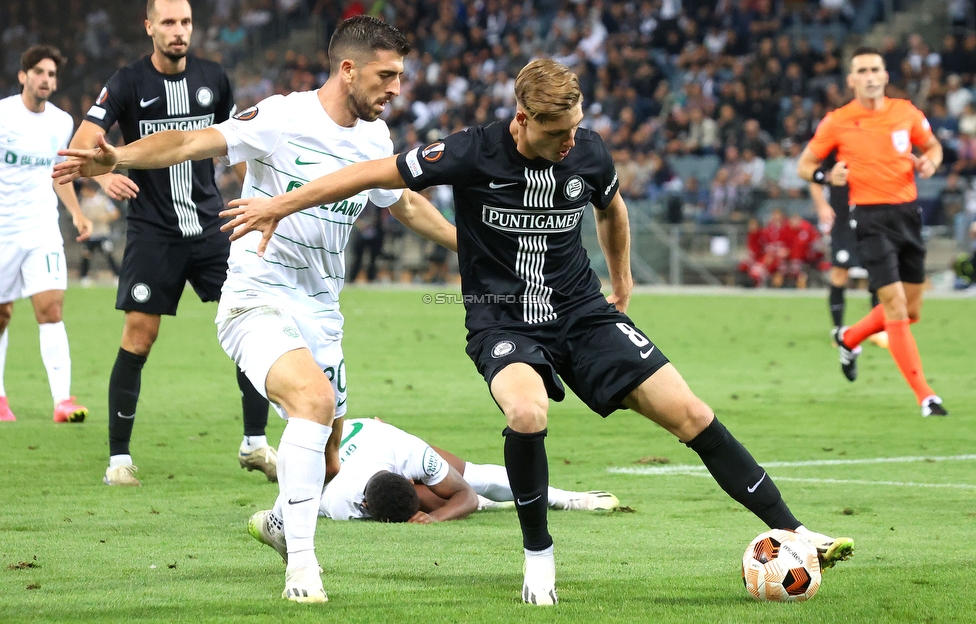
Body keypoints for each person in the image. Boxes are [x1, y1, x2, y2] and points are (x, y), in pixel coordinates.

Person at [212, 59, 854, 606]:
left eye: (576, 129)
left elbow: (613, 209)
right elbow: (368, 175)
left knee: (690, 412)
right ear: (523, 120)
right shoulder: (469, 150)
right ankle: (538, 556)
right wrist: (277, 202)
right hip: (501, 316)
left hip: (581, 312)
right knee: (526, 412)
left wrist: (622, 285)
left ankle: (798, 535)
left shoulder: (589, 152)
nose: (571, 143)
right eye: (558, 132)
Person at [55, 15, 457, 604]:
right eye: (387, 75)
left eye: (400, 75)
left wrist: (466, 249)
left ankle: (277, 522)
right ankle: (302, 568)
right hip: (255, 296)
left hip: (322, 310)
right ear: (348, 70)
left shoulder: (374, 139)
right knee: (313, 402)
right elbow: (192, 141)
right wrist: (118, 159)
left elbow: (404, 204)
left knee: (329, 455)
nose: (397, 88)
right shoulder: (282, 116)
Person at [64, 0, 275, 486]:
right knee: (140, 335)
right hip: (152, 232)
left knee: (254, 323)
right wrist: (100, 174)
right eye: (169, 23)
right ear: (149, 27)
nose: (179, 31)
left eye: (186, 22)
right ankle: (119, 460)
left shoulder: (214, 79)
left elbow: (238, 144)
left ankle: (256, 444)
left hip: (211, 227)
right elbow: (81, 143)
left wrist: (261, 196)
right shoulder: (127, 82)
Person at [798, 46, 947, 417]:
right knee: (894, 305)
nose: (869, 76)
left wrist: (930, 162)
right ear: (851, 80)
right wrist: (824, 176)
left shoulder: (906, 112)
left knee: (911, 311)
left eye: (874, 69)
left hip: (908, 217)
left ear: (885, 75)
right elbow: (805, 164)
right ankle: (926, 396)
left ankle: (848, 338)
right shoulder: (838, 120)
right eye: (861, 70)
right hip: (868, 219)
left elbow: (932, 146)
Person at [248, 417, 619, 555]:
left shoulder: (406, 451)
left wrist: (439, 518)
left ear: (410, 476)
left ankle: (567, 499)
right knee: (434, 499)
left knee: (472, 475)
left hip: (377, 435)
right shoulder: (335, 499)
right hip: (326, 457)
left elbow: (466, 493)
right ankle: (501, 505)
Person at [0, 45, 93, 423]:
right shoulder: (3, 115)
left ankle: (62, 401)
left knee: (51, 309)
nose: (46, 80)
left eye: (52, 75)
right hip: (3, 228)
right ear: (23, 76)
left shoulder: (61, 122)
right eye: (39, 72)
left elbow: (60, 174)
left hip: (41, 227)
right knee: (2, 314)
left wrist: (76, 213)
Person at [809, 171, 888, 348]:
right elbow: (813, 178)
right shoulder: (835, 150)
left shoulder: (874, 150)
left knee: (877, 274)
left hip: (871, 220)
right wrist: (822, 205)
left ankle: (878, 330)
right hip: (843, 223)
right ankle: (838, 329)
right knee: (839, 274)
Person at [77, 179, 121, 286]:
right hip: (89, 234)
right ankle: (84, 277)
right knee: (86, 255)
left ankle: (117, 275)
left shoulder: (103, 201)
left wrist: (105, 217)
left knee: (108, 254)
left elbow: (115, 213)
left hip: (102, 233)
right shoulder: (84, 202)